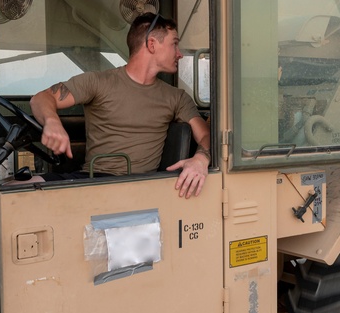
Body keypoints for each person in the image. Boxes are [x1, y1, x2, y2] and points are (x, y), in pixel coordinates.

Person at [29, 13, 211, 198]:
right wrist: (52, 122)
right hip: (93, 181)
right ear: (152, 44)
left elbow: (205, 134)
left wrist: (201, 159)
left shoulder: (177, 97)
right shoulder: (98, 82)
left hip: (143, 188)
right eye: (174, 44)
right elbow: (41, 98)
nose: (179, 54)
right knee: (15, 187)